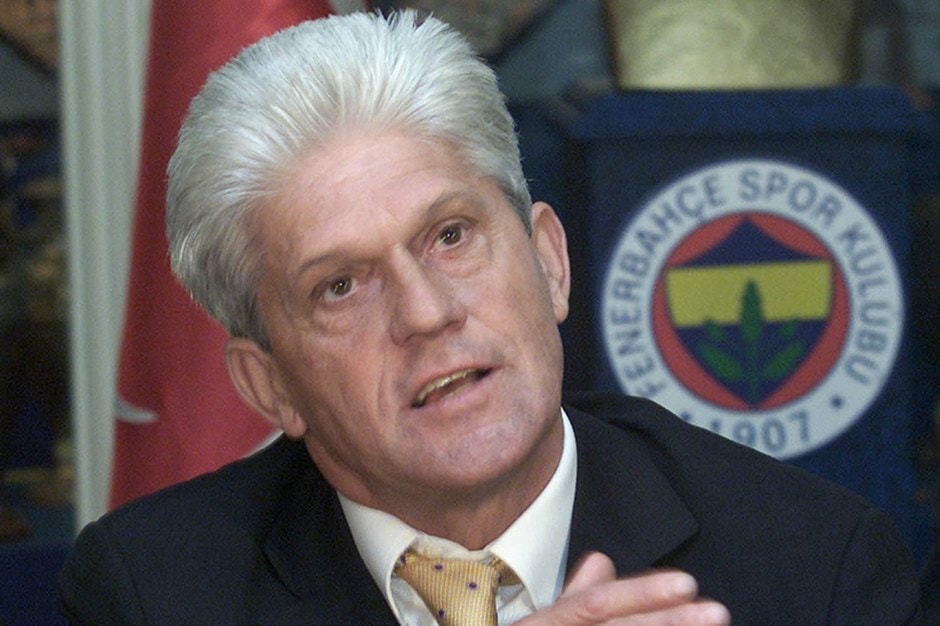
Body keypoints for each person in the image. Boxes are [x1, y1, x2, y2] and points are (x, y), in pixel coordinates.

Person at [58, 10, 922, 625]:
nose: (426, 313)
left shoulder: (812, 567)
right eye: (341, 286)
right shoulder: (153, 593)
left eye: (451, 236)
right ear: (269, 384)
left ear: (549, 262)